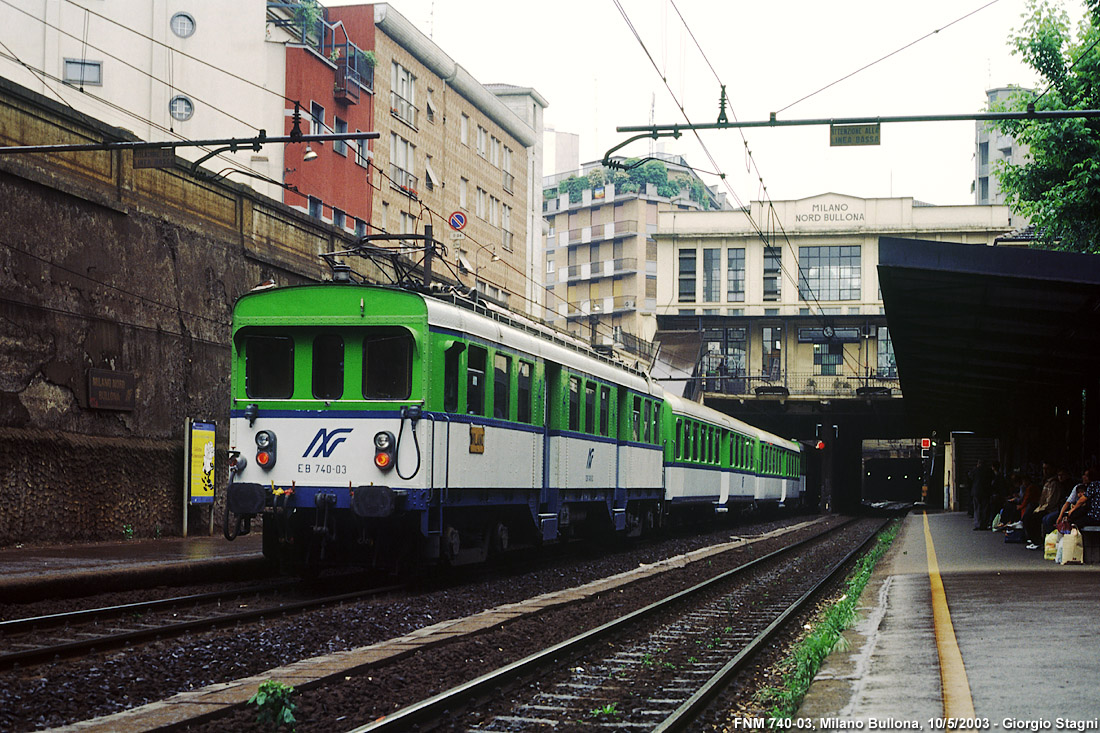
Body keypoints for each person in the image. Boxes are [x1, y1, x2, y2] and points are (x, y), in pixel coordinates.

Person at [1024, 466, 1072, 549]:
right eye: (1059, 475)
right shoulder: (1048, 482)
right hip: (1054, 508)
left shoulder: (1057, 484)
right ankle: (1037, 540)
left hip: (1054, 508)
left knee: (1044, 519)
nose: (1060, 477)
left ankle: (1042, 541)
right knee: (1031, 515)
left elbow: (1052, 501)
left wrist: (1041, 509)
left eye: (1062, 475)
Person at [970, 458, 995, 531]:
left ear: (978, 464)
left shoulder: (975, 470)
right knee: (985, 508)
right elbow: (993, 478)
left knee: (977, 508)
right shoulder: (989, 470)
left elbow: (970, 477)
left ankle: (978, 524)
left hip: (976, 491)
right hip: (986, 492)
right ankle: (984, 524)